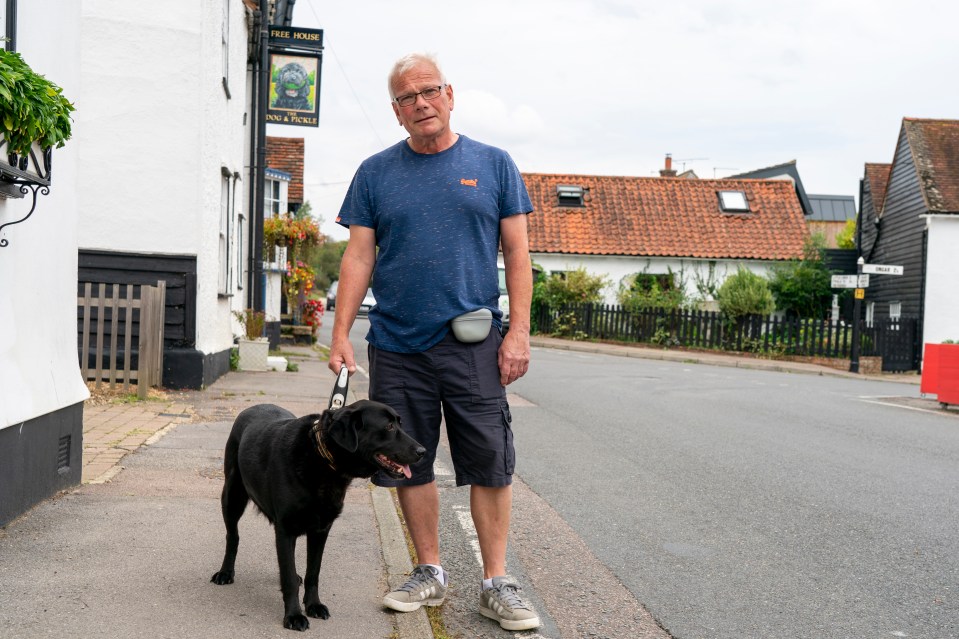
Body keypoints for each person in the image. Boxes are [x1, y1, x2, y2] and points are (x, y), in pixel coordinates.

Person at [327, 52, 539, 632]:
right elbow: (359, 255)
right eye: (406, 98)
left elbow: (518, 254)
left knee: (490, 460)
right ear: (396, 113)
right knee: (405, 461)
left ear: (450, 95)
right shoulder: (375, 172)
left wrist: (517, 331)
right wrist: (341, 333)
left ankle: (497, 582)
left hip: (473, 343)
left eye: (429, 91)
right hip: (397, 343)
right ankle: (429, 571)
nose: (420, 103)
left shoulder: (494, 165)